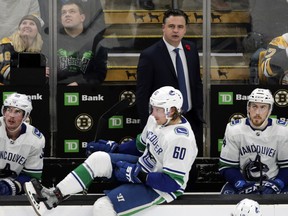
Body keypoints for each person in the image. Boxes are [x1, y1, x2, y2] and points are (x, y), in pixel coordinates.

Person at [24, 86, 198, 216]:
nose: (152, 113)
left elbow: (172, 183)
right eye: (152, 107)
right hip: (143, 167)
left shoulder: (180, 139)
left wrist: (139, 175)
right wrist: (114, 147)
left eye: (158, 109)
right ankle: (53, 196)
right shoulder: (156, 120)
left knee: (102, 207)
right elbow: (140, 145)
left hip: (161, 188)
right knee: (99, 158)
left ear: (172, 111)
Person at [136, 9, 204, 157]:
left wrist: (199, 113)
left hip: (191, 118)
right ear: (163, 28)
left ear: (185, 29)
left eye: (180, 27)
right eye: (171, 26)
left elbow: (196, 84)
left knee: (191, 166)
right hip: (164, 122)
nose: (176, 30)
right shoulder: (150, 55)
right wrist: (147, 126)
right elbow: (142, 94)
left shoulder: (191, 49)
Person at [219, 88, 288, 195]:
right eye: (254, 106)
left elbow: (286, 167)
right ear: (248, 107)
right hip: (244, 181)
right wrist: (241, 184)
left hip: (272, 180)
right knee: (227, 196)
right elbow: (226, 166)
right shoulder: (234, 129)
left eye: (262, 107)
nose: (257, 112)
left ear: (269, 110)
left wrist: (277, 184)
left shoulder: (282, 130)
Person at [0, 93, 45, 196]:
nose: (11, 115)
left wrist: (10, 187)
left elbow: (33, 177)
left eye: (17, 111)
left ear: (26, 116)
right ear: (3, 111)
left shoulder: (36, 139)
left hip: (13, 191)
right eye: (9, 110)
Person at [56, 0, 107, 86]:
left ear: (82, 18)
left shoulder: (95, 41)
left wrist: (80, 83)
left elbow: (99, 74)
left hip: (85, 91)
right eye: (63, 13)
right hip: (57, 91)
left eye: (72, 11)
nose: (67, 14)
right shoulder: (53, 41)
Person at [0, 14, 46, 85]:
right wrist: (36, 73)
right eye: (24, 23)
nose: (27, 26)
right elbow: (6, 71)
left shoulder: (40, 49)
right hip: (6, 91)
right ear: (19, 28)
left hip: (32, 92)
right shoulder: (7, 44)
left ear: (38, 31)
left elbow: (46, 76)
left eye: (32, 24)